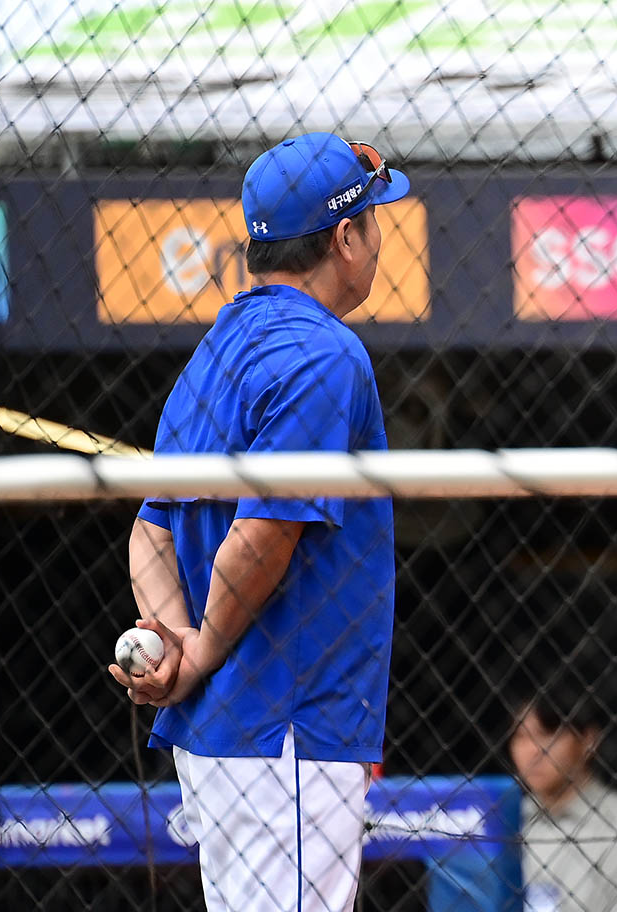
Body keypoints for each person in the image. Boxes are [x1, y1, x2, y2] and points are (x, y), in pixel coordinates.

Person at [107, 132, 411, 912]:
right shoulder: (326, 354)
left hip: (224, 736)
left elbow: (151, 532)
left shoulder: (214, 351)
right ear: (345, 238)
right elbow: (264, 535)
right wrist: (200, 650)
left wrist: (176, 643)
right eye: (373, 219)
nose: (378, 237)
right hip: (286, 731)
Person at [509, 677, 617, 912]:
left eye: (547, 734)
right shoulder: (505, 820)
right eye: (521, 737)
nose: (533, 750)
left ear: (588, 740)